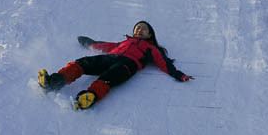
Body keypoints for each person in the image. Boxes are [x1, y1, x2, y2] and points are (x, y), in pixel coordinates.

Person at [38, 21, 194, 109]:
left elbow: (163, 63)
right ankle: (55, 81)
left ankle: (89, 97)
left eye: (144, 29)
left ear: (150, 35)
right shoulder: (124, 42)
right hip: (111, 57)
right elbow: (103, 45)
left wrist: (179, 75)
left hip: (128, 65)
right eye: (137, 28)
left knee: (109, 78)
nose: (139, 30)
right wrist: (87, 42)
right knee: (83, 63)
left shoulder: (151, 48)